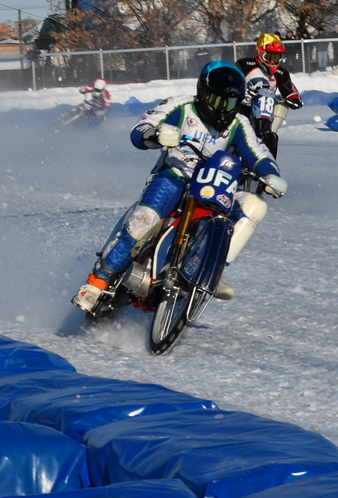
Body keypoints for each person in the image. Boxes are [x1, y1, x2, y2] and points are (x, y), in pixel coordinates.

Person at [72, 61, 286, 314]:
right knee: (143, 220)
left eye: (229, 104)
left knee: (255, 206)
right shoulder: (181, 106)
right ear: (204, 93)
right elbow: (141, 127)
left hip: (216, 184)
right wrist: (155, 135)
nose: (222, 110)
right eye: (217, 101)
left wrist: (270, 175)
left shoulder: (239, 123)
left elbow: (258, 153)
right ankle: (96, 284)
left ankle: (212, 269)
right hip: (173, 178)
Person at [236, 33, 302, 156]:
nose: (273, 61)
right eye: (270, 56)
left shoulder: (281, 73)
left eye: (277, 57)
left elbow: (290, 90)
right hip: (240, 108)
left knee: (280, 104)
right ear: (260, 53)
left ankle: (266, 140)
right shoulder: (244, 65)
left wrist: (294, 98)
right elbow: (229, 79)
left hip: (266, 113)